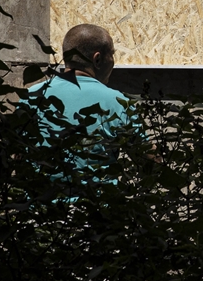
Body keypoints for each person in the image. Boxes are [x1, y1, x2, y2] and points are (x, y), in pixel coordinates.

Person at [26, 23, 144, 188]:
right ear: (97, 59)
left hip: (41, 208)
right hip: (96, 209)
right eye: (112, 54)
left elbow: (15, 157)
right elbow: (148, 160)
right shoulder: (118, 103)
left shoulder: (32, 96)